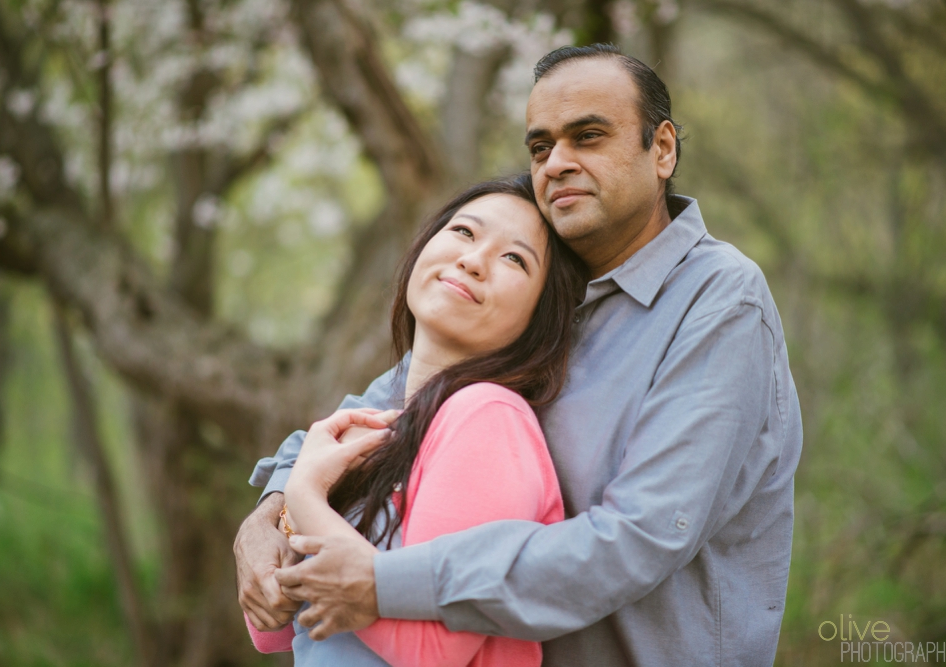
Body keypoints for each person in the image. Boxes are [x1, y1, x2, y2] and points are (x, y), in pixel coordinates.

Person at [237, 44, 803, 667]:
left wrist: (384, 584)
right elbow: (387, 411)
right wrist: (271, 511)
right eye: (540, 147)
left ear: (661, 149)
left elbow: (640, 536)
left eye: (588, 136)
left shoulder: (720, 301)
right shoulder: (531, 300)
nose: (558, 162)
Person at [242, 174, 588, 666]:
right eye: (465, 232)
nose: (472, 260)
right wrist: (277, 530)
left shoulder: (489, 418)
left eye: (514, 258)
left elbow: (435, 652)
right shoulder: (383, 418)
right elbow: (277, 627)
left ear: (540, 316)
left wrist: (304, 495)